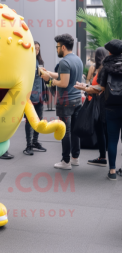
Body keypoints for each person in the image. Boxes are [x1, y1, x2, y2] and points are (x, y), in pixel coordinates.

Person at [41, 34, 83, 169]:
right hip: (77, 100)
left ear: (63, 47)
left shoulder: (64, 62)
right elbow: (64, 76)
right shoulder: (77, 60)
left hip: (66, 101)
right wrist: (48, 72)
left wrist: (49, 80)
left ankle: (66, 161)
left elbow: (63, 83)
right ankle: (75, 158)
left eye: (57, 47)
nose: (56, 49)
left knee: (66, 131)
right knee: (75, 131)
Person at [74, 47, 108, 167]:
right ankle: (103, 156)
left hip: (99, 103)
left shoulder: (101, 70)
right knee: (100, 131)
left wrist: (84, 87)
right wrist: (85, 86)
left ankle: (104, 158)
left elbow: (98, 87)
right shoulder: (100, 69)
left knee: (100, 130)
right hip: (98, 102)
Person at [96, 40, 122, 180]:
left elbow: (102, 87)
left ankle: (112, 171)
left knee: (112, 139)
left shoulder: (106, 66)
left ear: (110, 52)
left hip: (111, 106)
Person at [23, 41, 47, 155]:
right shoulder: (26, 61)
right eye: (35, 48)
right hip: (30, 95)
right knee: (29, 121)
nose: (36, 50)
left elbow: (43, 79)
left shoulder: (40, 61)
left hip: (40, 94)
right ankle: (28, 145)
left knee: (39, 119)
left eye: (38, 48)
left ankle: (35, 141)